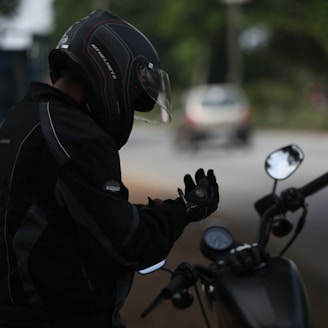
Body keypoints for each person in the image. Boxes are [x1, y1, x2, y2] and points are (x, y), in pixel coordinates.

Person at [0, 10, 219, 328]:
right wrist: (185, 208)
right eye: (133, 96)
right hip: (62, 317)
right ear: (111, 70)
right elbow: (127, 246)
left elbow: (67, 216)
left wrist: (143, 215)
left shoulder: (24, 117)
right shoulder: (76, 136)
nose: (129, 107)